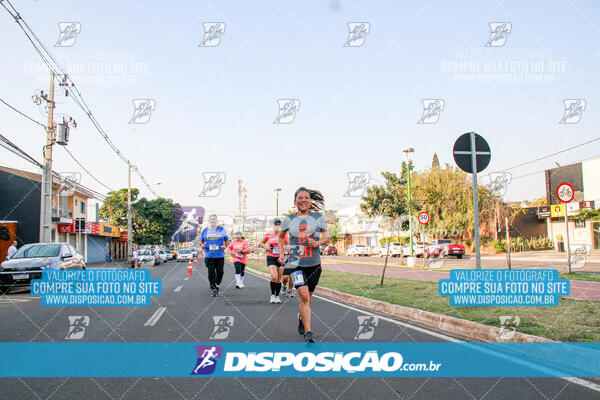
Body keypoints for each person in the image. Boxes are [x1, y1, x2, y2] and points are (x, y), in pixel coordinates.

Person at [278, 187, 329, 343]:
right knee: (304, 296)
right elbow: (281, 238)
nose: (303, 200)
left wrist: (317, 242)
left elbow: (326, 237)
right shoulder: (288, 219)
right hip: (294, 261)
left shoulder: (318, 217)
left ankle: (301, 316)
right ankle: (308, 333)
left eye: (306, 197)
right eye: (300, 198)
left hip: (314, 262)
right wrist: (281, 253)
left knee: (308, 298)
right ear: (295, 202)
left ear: (310, 201)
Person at [200, 214, 230, 296]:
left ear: (216, 220)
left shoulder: (221, 230)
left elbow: (227, 240)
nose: (212, 221)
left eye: (214, 219)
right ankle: (214, 288)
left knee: (220, 272)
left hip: (219, 255)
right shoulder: (205, 230)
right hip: (209, 255)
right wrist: (202, 245)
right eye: (211, 219)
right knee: (211, 272)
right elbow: (201, 241)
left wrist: (225, 246)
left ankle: (217, 283)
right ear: (209, 221)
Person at [262, 218, 289, 303]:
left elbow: (289, 244)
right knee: (274, 276)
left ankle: (277, 296)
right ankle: (272, 295)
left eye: (278, 225)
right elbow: (262, 242)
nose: (277, 227)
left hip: (281, 258)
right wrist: (266, 247)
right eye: (275, 225)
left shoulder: (284, 234)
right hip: (271, 257)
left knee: (278, 279)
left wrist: (286, 252)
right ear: (273, 225)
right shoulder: (268, 234)